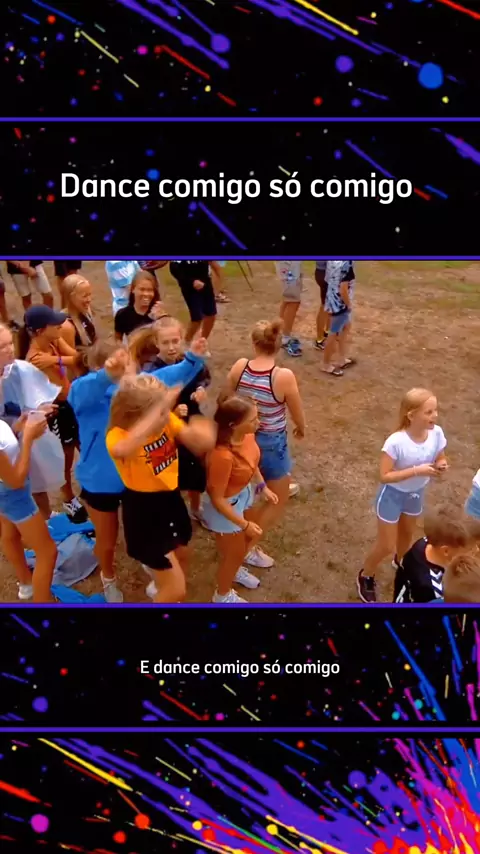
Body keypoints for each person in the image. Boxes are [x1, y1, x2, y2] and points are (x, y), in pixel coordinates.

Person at [69, 337, 210, 603]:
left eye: (128, 365)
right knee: (107, 541)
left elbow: (165, 377)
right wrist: (107, 376)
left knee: (145, 532)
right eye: (118, 368)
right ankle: (108, 577)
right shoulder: (88, 393)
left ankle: (154, 565)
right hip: (102, 481)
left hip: (140, 485)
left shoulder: (138, 392)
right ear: (99, 369)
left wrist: (192, 358)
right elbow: (81, 392)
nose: (127, 372)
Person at [105, 373, 216, 603]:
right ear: (137, 413)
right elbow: (122, 449)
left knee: (183, 553)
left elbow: (197, 442)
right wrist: (155, 416)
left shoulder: (165, 420)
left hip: (170, 500)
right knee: (176, 590)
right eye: (160, 411)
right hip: (144, 511)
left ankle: (161, 586)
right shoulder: (118, 436)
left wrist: (201, 429)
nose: (167, 414)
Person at [358, 388, 448, 603]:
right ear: (411, 415)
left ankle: (402, 564)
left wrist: (441, 464)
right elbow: (384, 476)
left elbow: (440, 455)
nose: (435, 416)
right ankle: (366, 575)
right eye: (428, 412)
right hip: (392, 496)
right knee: (386, 545)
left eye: (435, 410)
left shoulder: (436, 433)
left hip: (415, 494)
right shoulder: (396, 442)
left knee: (406, 536)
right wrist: (417, 470)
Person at [227, 319, 306, 561]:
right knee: (278, 498)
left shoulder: (240, 367)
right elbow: (296, 411)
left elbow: (224, 399)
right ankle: (248, 547)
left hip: (243, 437)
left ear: (254, 343)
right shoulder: (282, 376)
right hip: (271, 441)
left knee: (249, 486)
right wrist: (301, 428)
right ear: (279, 344)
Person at [131, 316, 211, 521]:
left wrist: (200, 389)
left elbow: (203, 376)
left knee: (197, 463)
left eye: (175, 341)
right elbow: (148, 406)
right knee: (170, 468)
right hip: (164, 427)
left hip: (190, 417)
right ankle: (173, 507)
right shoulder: (151, 371)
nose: (171, 347)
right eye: (165, 342)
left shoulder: (189, 359)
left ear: (182, 338)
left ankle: (196, 506)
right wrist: (172, 413)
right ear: (156, 343)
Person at [203, 395, 279, 603]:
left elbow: (251, 463)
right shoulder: (222, 456)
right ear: (233, 425)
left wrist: (261, 485)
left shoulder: (248, 436)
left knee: (242, 543)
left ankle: (239, 564)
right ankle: (222, 596)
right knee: (234, 554)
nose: (259, 423)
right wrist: (244, 524)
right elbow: (217, 499)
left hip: (243, 494)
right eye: (253, 420)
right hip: (226, 507)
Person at [19, 305, 87, 522]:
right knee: (65, 459)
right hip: (58, 413)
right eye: (54, 323)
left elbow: (80, 359)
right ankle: (68, 498)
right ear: (40, 330)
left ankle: (90, 488)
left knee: (85, 446)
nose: (60, 325)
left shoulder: (53, 342)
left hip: (71, 405)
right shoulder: (34, 359)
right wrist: (58, 362)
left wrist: (55, 360)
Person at [0, 406, 57, 602]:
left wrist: (18, 428)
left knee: (10, 534)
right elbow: (15, 481)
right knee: (47, 552)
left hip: (5, 493)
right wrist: (27, 439)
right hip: (12, 494)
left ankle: (26, 584)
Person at [394, 510, 474, 603]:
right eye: (466, 551)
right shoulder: (434, 590)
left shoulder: (425, 543)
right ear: (446, 551)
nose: (471, 553)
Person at [169, 260, 219, 345]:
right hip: (189, 288)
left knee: (211, 315)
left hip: (205, 283)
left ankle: (202, 342)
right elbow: (174, 269)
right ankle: (186, 342)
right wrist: (191, 282)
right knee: (197, 318)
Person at [322, 260, 356, 376]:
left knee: (346, 327)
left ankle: (342, 359)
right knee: (334, 333)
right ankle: (326, 364)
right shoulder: (347, 264)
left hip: (332, 298)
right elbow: (343, 289)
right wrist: (348, 305)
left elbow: (327, 279)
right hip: (340, 304)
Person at [114, 270, 166, 341]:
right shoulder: (123, 315)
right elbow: (117, 339)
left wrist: (162, 318)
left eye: (150, 290)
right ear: (133, 289)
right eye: (142, 289)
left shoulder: (159, 313)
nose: (146, 294)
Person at [60, 274, 97, 354]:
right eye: (84, 296)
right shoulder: (66, 326)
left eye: (89, 294)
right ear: (71, 297)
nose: (89, 299)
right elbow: (71, 358)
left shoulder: (86, 312)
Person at [276, 261, 303, 357]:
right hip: (289, 264)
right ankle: (285, 338)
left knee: (288, 300)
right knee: (293, 301)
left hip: (291, 264)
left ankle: (279, 333)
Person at [314, 260, 330, 350]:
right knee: (325, 305)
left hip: (325, 272)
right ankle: (319, 339)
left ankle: (327, 332)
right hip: (326, 273)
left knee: (330, 304)